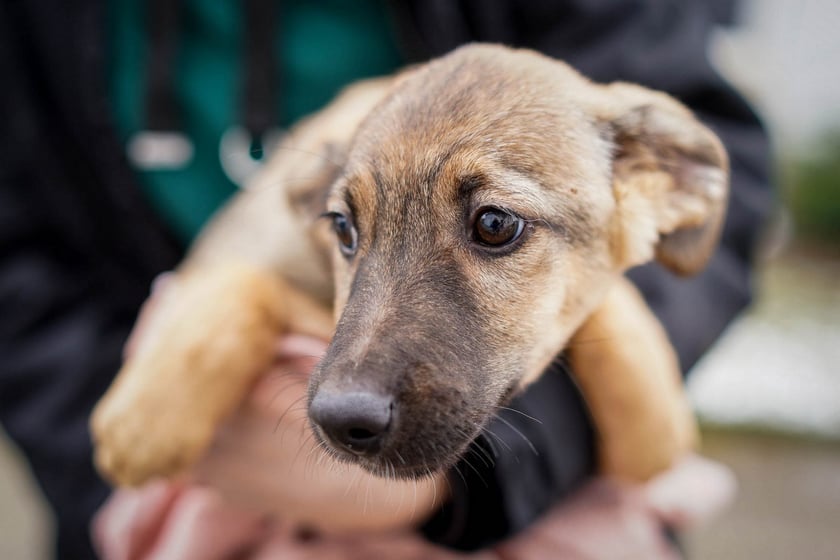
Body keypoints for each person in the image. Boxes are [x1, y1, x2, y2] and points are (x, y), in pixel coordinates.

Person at [0, 1, 772, 558]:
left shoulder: (623, 162)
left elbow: (715, 202)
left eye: (493, 227)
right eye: (345, 226)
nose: (348, 393)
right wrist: (122, 481)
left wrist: (487, 482)